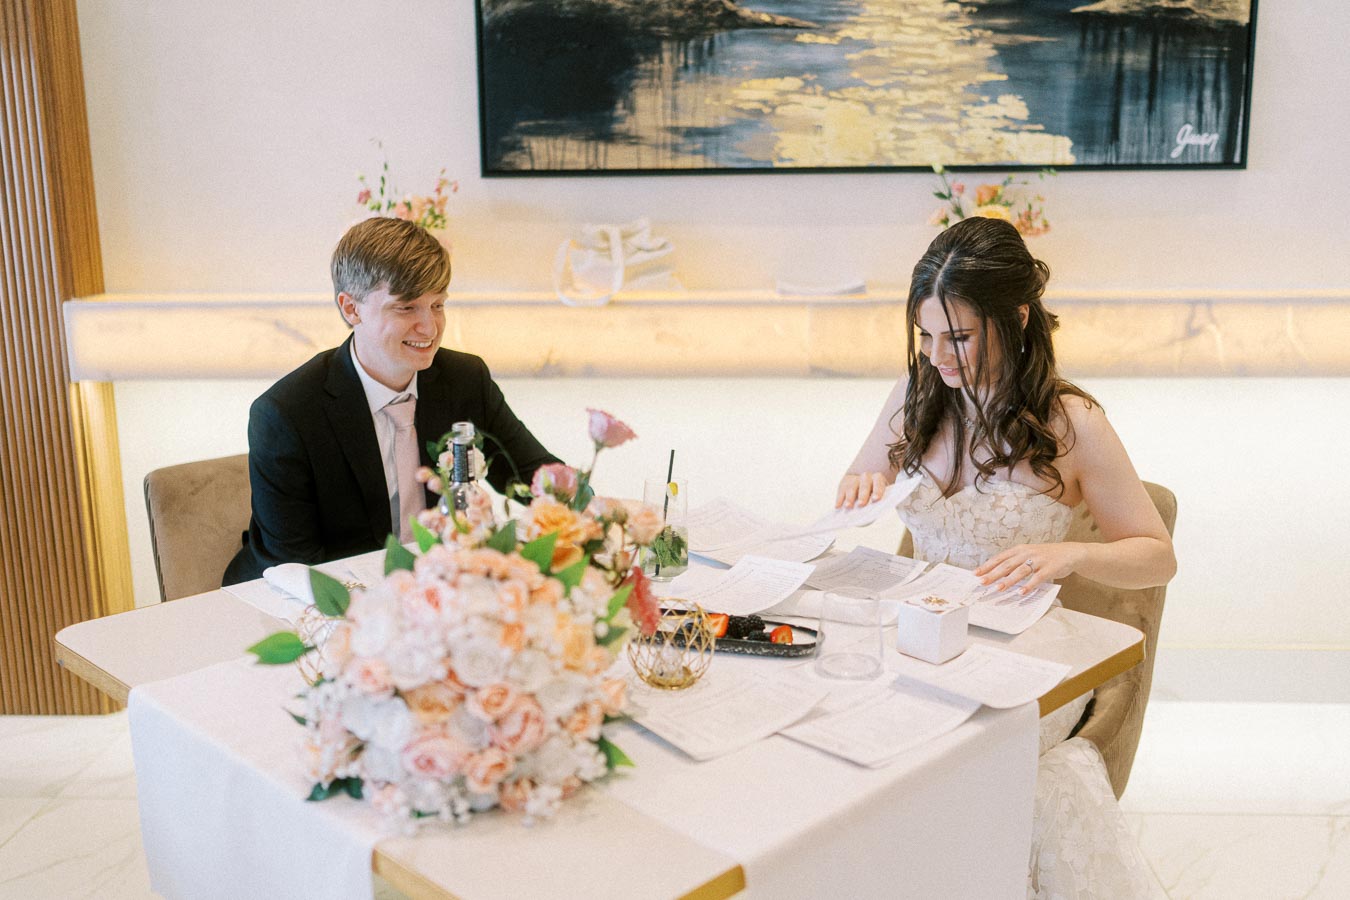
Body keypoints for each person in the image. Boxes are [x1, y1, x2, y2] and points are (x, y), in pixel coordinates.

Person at [836, 217, 1175, 898]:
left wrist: (1069, 554)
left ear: (1016, 317)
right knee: (838, 732)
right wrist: (859, 488)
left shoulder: (1073, 423)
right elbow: (856, 482)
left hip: (1026, 650)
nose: (938, 356)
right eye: (926, 336)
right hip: (923, 631)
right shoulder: (912, 399)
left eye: (957, 337)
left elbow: (1156, 557)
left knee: (936, 754)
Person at [224, 218, 560, 585]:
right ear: (351, 309)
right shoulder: (286, 414)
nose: (430, 328)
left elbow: (539, 479)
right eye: (406, 308)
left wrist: (604, 516)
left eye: (437, 305)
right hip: (311, 604)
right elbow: (297, 572)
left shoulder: (465, 379)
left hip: (435, 593)